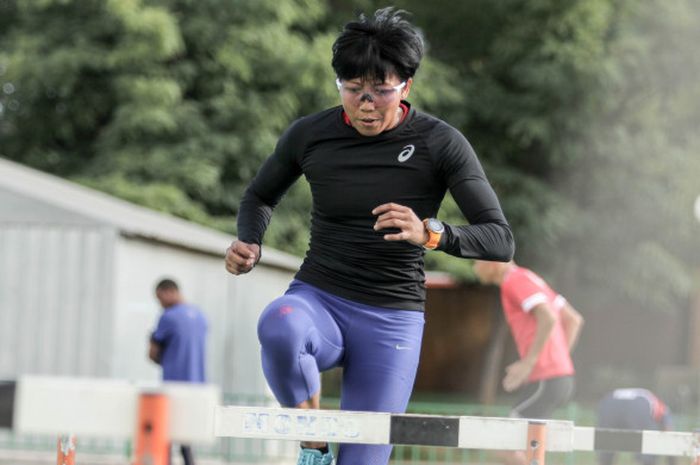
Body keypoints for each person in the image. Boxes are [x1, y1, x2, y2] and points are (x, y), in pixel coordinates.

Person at [224, 7, 514, 465]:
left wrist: (430, 233)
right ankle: (313, 439)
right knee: (278, 325)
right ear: (339, 84)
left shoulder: (441, 143)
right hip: (319, 296)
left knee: (362, 460)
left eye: (381, 91)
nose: (366, 104)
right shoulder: (310, 135)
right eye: (353, 90)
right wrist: (251, 241)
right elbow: (259, 196)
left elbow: (500, 239)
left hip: (391, 319)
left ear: (406, 88)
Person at [473, 260, 584, 465]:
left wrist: (531, 361)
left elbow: (548, 317)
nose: (474, 266)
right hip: (558, 378)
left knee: (507, 444)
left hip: (546, 380)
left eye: (476, 260)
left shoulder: (513, 280)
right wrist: (557, 360)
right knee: (529, 447)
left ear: (494, 262)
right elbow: (574, 319)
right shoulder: (530, 277)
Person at [149, 278, 208, 465]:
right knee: (185, 437)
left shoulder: (168, 316)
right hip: (197, 385)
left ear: (168, 292)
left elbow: (153, 353)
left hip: (173, 384)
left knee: (164, 435)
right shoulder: (200, 316)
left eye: (160, 299)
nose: (160, 304)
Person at [597, 388, 674, 465]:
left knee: (606, 447)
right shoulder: (660, 405)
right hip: (640, 405)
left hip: (609, 402)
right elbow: (669, 430)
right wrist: (672, 460)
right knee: (648, 447)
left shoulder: (649, 397)